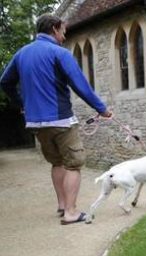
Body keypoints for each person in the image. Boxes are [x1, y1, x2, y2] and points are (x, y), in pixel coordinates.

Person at [0, 14, 112, 225]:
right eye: (63, 31)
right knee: (74, 163)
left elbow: (5, 82)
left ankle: (62, 205)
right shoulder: (59, 53)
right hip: (60, 120)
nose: (64, 35)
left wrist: (22, 104)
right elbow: (80, 85)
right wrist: (102, 109)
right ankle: (70, 212)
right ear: (54, 28)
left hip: (35, 123)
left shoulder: (21, 54)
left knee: (57, 161)